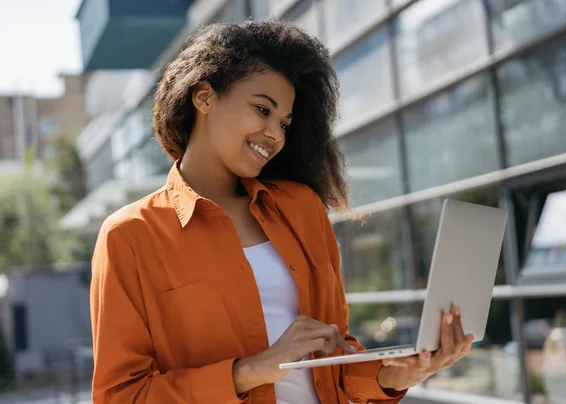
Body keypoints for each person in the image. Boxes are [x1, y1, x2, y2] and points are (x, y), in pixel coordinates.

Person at [90, 20, 473, 404]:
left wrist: (397, 373)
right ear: (204, 98)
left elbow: (335, 357)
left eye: (284, 123)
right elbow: (120, 396)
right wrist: (251, 370)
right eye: (262, 109)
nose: (275, 134)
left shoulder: (302, 209)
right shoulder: (131, 235)